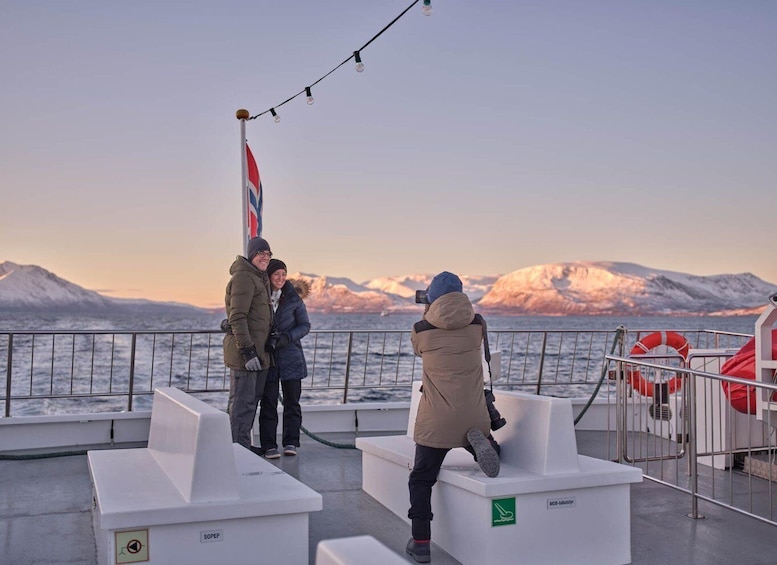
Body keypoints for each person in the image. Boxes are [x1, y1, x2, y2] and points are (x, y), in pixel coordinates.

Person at [406, 271, 500, 564]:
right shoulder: (477, 324)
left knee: (421, 479)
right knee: (477, 436)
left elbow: (419, 350)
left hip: (437, 421)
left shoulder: (421, 329)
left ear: (431, 297)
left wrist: (429, 312)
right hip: (474, 415)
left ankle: (421, 542)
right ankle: (487, 446)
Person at [223, 236, 274, 451]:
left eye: (268, 254)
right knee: (242, 405)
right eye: (261, 253)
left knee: (249, 403)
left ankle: (241, 445)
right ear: (252, 255)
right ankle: (236, 449)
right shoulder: (244, 277)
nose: (265, 257)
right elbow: (238, 317)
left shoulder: (259, 278)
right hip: (246, 355)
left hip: (259, 353)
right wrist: (248, 352)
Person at [258, 258, 311, 459]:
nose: (280, 278)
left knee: (292, 403)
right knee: (269, 403)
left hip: (291, 357)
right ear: (269, 276)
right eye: (276, 274)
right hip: (269, 358)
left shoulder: (294, 299)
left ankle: (291, 442)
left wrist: (287, 338)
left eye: (283, 274)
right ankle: (269, 445)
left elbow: (305, 325)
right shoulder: (260, 296)